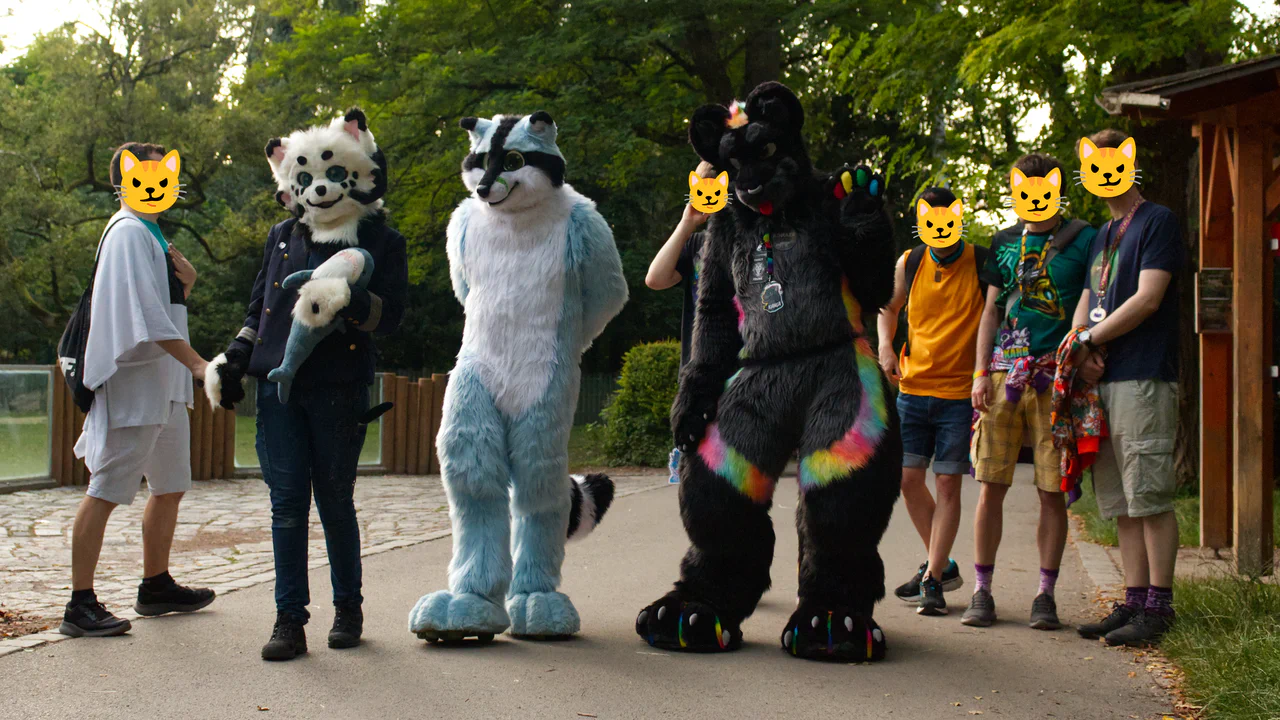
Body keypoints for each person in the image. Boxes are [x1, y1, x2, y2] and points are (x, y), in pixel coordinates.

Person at [207, 110, 408, 660]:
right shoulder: (282, 235)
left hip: (339, 387)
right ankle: (289, 619)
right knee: (287, 507)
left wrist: (354, 301)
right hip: (277, 390)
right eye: (303, 179)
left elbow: (391, 319)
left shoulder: (382, 240)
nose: (317, 188)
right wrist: (230, 359)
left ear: (357, 172)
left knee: (336, 504)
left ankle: (348, 608)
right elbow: (259, 312)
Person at [61, 142, 216, 637]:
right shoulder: (128, 232)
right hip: (134, 385)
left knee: (170, 486)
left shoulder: (150, 232)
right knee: (106, 488)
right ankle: (78, 605)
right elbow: (142, 318)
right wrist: (197, 364)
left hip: (164, 386)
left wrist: (186, 285)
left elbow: (159, 307)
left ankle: (156, 585)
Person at [964, 153, 1098, 630]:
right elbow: (990, 312)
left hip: (1055, 377)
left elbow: (1094, 301)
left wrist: (1088, 351)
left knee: (1051, 491)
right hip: (1004, 376)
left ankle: (1045, 595)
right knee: (990, 486)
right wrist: (980, 372)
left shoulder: (1085, 238)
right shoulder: (1001, 242)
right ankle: (982, 592)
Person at [1071, 128, 1182, 647]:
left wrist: (1091, 336)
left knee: (1150, 496)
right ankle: (1134, 601)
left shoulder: (1158, 221)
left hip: (1144, 375)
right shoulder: (1102, 233)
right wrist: (1077, 347)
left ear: (1130, 163)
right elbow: (1092, 295)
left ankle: (1160, 609)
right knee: (1120, 500)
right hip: (1105, 378)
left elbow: (1148, 299)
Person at [877, 187, 985, 615]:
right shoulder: (911, 261)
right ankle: (941, 564)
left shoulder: (980, 261)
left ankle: (934, 579)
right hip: (913, 389)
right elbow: (887, 306)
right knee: (906, 479)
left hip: (959, 393)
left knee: (947, 484)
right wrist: (885, 346)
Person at [645, 161, 715, 481]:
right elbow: (656, 278)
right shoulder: (697, 245)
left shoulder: (756, 244)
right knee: (702, 488)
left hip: (747, 382)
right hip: (699, 382)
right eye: (703, 186)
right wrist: (687, 222)